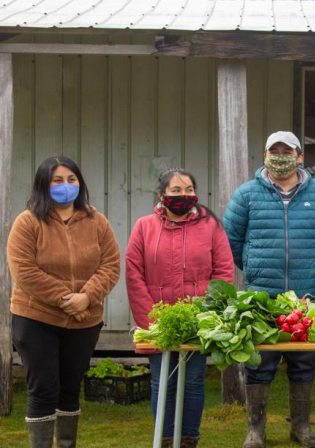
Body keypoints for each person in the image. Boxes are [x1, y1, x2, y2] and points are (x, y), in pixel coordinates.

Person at [223, 131, 315, 448]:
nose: (280, 155)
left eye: (286, 150)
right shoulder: (246, 194)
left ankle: (301, 428)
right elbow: (231, 241)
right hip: (262, 295)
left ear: (300, 156)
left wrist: (313, 265)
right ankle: (255, 431)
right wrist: (253, 266)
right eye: (273, 150)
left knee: (304, 363)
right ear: (264, 156)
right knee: (259, 363)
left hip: (306, 296)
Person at [7, 156, 121, 448]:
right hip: (36, 319)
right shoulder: (28, 221)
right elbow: (24, 270)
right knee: (43, 390)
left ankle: (66, 444)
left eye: (71, 179)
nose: (65, 186)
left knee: (70, 390)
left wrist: (87, 297)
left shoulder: (97, 221)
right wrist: (66, 299)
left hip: (85, 320)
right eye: (57, 180)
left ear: (79, 183)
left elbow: (111, 264)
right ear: (43, 184)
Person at [125, 168, 234, 448]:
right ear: (162, 195)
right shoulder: (144, 227)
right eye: (176, 190)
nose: (183, 195)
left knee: (194, 382)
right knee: (163, 382)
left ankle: (188, 440)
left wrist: (208, 314)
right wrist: (152, 321)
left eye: (188, 189)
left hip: (197, 321)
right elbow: (134, 274)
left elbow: (223, 272)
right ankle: (164, 437)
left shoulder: (211, 227)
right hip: (157, 322)